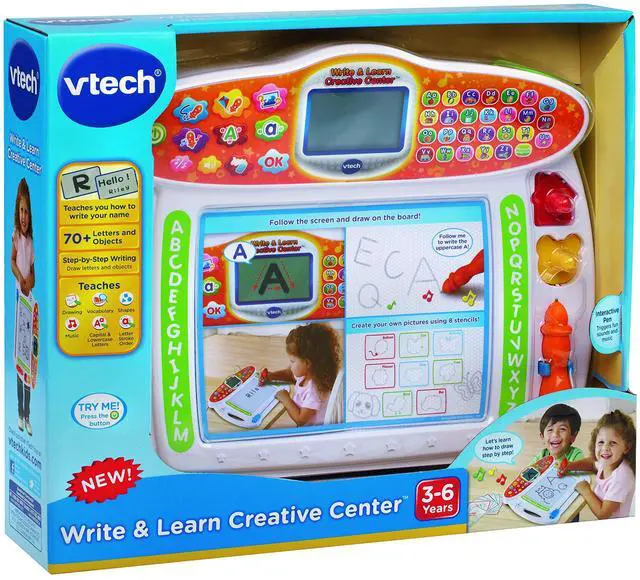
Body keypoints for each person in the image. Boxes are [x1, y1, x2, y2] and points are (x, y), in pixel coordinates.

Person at [559, 410, 636, 519]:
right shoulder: (608, 462)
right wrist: (571, 466)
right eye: (601, 442)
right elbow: (592, 464)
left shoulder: (621, 477)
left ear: (626, 447)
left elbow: (602, 514)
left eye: (613, 443)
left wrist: (586, 491)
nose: (605, 448)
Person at [261, 323, 341, 426]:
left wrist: (286, 399)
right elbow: (290, 374)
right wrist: (272, 376)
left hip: (313, 431)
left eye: (292, 361)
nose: (290, 365)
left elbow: (301, 420)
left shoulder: (314, 391)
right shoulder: (309, 372)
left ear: (307, 363)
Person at [11, 178, 36, 436]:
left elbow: (34, 271)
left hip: (31, 302)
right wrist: (21, 278)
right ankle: (19, 413)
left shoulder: (31, 241)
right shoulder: (17, 237)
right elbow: (12, 261)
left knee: (29, 362)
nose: (23, 216)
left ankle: (27, 415)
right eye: (21, 210)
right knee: (20, 359)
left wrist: (31, 281)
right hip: (20, 301)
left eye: (27, 211)